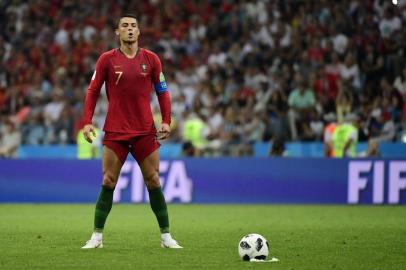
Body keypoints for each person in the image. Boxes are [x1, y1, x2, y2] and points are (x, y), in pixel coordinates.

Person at [81, 14, 182, 249]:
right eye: (124, 26)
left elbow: (163, 91)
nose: (129, 29)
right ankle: (96, 237)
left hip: (144, 131)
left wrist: (166, 120)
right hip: (115, 130)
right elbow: (93, 90)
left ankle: (166, 237)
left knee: (154, 180)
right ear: (117, 32)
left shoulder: (151, 59)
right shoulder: (106, 60)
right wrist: (87, 121)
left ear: (139, 32)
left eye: (133, 26)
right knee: (108, 180)